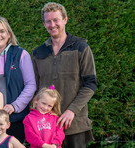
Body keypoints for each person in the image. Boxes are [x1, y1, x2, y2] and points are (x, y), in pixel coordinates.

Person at [32, 2, 97, 148]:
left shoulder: (81, 48)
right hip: (46, 127)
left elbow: (90, 84)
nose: (52, 24)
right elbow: (35, 88)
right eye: (48, 21)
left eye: (56, 20)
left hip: (74, 123)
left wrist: (71, 110)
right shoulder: (38, 53)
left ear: (65, 19)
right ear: (44, 24)